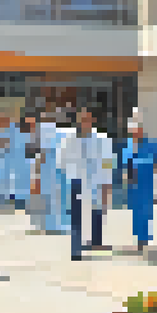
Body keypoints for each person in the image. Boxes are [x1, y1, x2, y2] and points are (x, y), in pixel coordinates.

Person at [61, 108, 113, 260]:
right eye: (82, 119)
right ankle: (76, 249)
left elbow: (107, 162)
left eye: (88, 119)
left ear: (92, 120)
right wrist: (72, 173)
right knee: (76, 217)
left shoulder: (102, 138)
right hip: (77, 181)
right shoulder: (69, 138)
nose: (85, 122)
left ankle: (96, 242)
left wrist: (107, 182)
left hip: (97, 180)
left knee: (97, 210)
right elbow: (61, 160)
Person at [120, 113, 157, 253]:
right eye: (133, 129)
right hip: (133, 183)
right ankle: (139, 238)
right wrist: (126, 175)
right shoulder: (128, 146)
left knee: (146, 210)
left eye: (138, 128)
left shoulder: (151, 145)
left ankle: (144, 238)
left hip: (146, 182)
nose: (135, 132)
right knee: (136, 211)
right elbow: (124, 164)